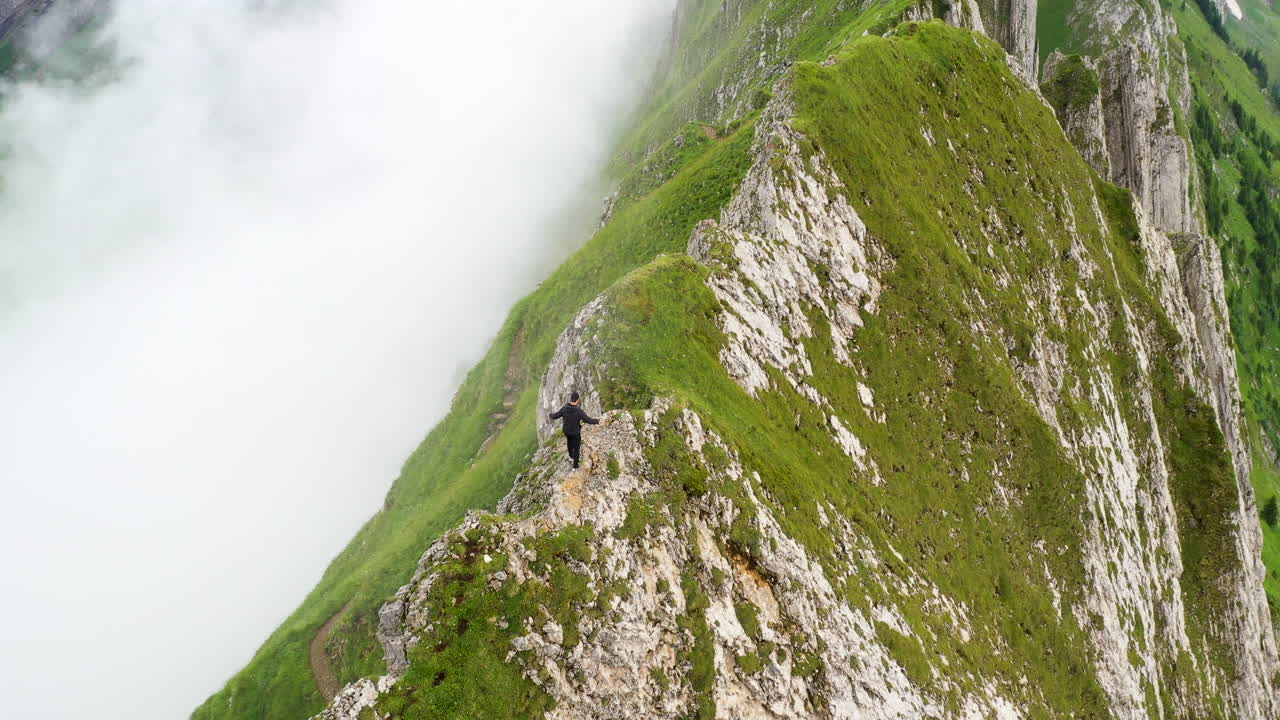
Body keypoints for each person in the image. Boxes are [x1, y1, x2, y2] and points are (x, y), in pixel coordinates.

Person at [549, 391, 598, 469]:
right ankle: (575, 466)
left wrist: (550, 415)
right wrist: (597, 421)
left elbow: (555, 416)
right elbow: (588, 420)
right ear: (577, 400)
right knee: (577, 448)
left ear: (571, 399)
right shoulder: (578, 411)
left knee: (569, 441)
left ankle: (571, 455)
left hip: (566, 431)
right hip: (575, 432)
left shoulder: (564, 409)